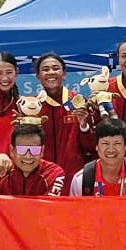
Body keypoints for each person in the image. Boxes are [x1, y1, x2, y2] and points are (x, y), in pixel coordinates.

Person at [33, 53, 95, 194]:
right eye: (45, 69)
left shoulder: (79, 103)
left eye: (56, 68)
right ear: (38, 76)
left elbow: (91, 147)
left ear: (64, 73)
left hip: (74, 176)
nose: (51, 72)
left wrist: (83, 125)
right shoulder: (33, 107)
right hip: (43, 177)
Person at [69, 118, 126, 196]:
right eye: (105, 144)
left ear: (125, 146)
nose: (111, 150)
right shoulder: (81, 179)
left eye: (117, 144)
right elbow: (75, 214)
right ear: (96, 146)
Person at [0, 124, 66, 196]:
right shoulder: (0, 172)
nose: (28, 156)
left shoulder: (54, 173)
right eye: (22, 150)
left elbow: (50, 210)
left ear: (42, 151)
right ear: (12, 151)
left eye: (34, 150)